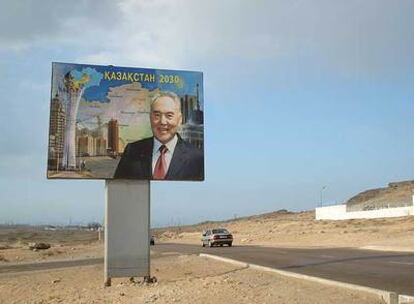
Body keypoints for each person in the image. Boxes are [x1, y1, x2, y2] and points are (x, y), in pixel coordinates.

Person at [113, 92, 204, 180]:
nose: (162, 122)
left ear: (180, 119)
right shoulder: (132, 152)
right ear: (150, 118)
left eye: (169, 115)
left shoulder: (197, 158)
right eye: (157, 115)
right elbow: (118, 189)